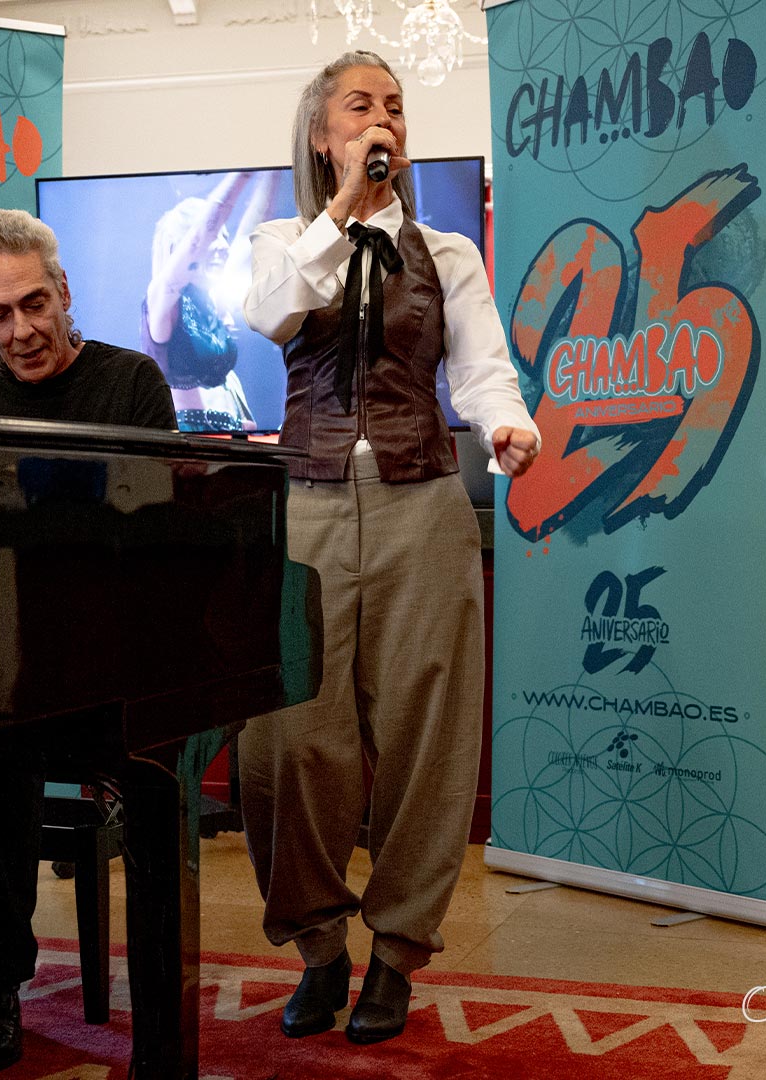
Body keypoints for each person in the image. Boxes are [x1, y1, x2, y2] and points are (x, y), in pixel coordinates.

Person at [237, 50, 540, 1046]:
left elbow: (482, 368)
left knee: (427, 736)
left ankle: (398, 954)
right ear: (323, 135)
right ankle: (319, 946)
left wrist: (507, 426)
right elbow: (270, 313)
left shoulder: (447, 253)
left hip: (422, 505)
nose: (385, 122)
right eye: (362, 107)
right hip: (307, 508)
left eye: (396, 108)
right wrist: (342, 211)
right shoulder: (282, 240)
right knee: (287, 737)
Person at [0, 207, 175, 1074]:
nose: (21, 332)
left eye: (34, 304)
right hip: (3, 668)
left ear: (64, 290)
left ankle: (160, 999)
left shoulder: (132, 383)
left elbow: (156, 538)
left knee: (15, 734)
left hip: (111, 661)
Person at [141, 171, 278, 431]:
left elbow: (255, 228)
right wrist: (243, 173)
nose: (224, 246)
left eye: (225, 237)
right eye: (215, 236)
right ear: (180, 249)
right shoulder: (161, 299)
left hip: (228, 437)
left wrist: (271, 170)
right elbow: (203, 232)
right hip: (189, 444)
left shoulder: (211, 296)